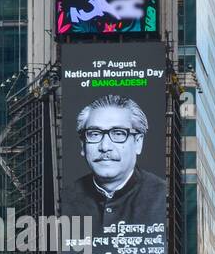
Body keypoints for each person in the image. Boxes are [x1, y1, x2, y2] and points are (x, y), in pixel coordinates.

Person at [64, 95, 166, 236]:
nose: (105, 147)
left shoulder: (163, 197)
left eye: (118, 133)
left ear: (138, 142)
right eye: (94, 134)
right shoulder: (65, 198)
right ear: (83, 145)